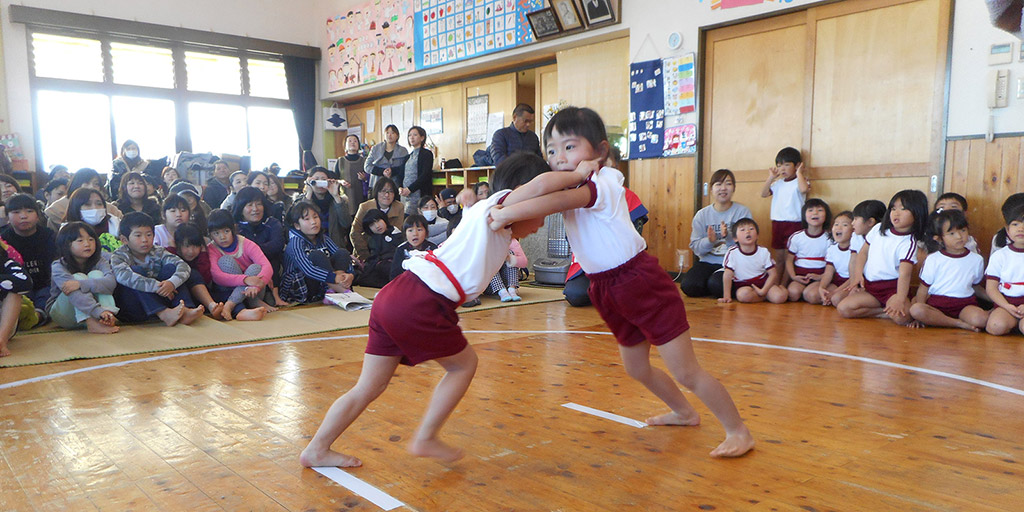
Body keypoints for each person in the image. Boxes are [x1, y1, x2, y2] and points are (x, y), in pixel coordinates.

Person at [487, 107, 754, 457]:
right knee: (636, 367)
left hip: (640, 281)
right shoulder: (573, 182)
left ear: (599, 151)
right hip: (606, 288)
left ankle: (738, 431)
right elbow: (539, 190)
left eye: (569, 147)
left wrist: (504, 213)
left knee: (686, 371)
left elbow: (554, 199)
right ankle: (684, 413)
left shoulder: (601, 184)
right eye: (551, 150)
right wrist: (492, 204)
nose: (559, 157)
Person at [299, 150, 557, 468]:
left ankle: (317, 448)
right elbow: (540, 187)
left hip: (396, 296)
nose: (541, 221)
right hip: (421, 301)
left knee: (369, 386)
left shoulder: (486, 216)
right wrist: (582, 175)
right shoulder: (497, 214)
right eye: (542, 210)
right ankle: (426, 437)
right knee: (463, 366)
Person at [836, 190, 929, 325]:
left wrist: (900, 299)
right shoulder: (878, 229)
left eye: (903, 209)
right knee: (843, 308)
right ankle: (884, 312)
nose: (896, 213)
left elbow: (905, 274)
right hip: (871, 288)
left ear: (917, 213)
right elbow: (863, 253)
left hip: (892, 290)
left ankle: (897, 308)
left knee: (902, 318)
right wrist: (858, 275)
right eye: (893, 208)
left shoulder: (908, 243)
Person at [110, 212, 205, 326]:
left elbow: (183, 266)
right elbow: (123, 276)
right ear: (124, 239)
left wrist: (171, 283)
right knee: (135, 271)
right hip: (132, 309)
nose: (145, 240)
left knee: (171, 268)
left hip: (161, 300)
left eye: (149, 234)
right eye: (138, 235)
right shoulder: (119, 256)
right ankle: (164, 313)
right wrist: (158, 287)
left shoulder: (158, 251)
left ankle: (185, 310)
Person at [908, 209, 988, 331]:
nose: (959, 236)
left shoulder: (976, 259)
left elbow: (976, 287)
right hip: (937, 305)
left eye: (963, 230)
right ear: (940, 238)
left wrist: (996, 300)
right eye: (951, 233)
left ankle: (945, 321)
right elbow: (923, 288)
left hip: (964, 305)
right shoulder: (933, 259)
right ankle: (958, 323)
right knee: (916, 310)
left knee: (981, 319)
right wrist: (919, 316)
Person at [680, 168, 752, 298]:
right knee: (689, 285)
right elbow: (696, 248)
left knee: (717, 285)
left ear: (734, 188)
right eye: (718, 184)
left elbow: (748, 245)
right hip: (707, 261)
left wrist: (728, 236)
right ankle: (711, 285)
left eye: (728, 184)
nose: (723, 188)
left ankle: (715, 285)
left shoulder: (742, 212)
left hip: (732, 263)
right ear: (711, 189)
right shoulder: (702, 215)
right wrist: (709, 241)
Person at [46, 222, 119, 334]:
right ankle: (91, 323)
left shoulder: (100, 261)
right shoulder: (58, 266)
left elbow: (111, 283)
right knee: (77, 278)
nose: (87, 244)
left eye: (91, 239)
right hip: (64, 314)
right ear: (66, 245)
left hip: (98, 312)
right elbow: (73, 293)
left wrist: (81, 284)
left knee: (96, 274)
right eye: (80, 240)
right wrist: (97, 311)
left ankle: (107, 317)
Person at [280, 201, 356, 304]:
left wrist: (350, 275)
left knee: (342, 252)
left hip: (323, 281)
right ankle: (343, 292)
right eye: (307, 219)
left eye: (315, 217)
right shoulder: (295, 243)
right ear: (297, 226)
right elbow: (308, 269)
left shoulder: (324, 238)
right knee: (317, 256)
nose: (313, 222)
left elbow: (343, 256)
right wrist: (334, 278)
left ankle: (333, 290)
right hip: (299, 285)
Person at [206, 209, 273, 321]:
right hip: (227, 291)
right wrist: (245, 280)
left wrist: (256, 285)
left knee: (255, 268)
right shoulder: (212, 249)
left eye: (226, 231)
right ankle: (234, 305)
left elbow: (267, 266)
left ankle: (245, 303)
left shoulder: (245, 243)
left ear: (233, 229)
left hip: (252, 292)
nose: (222, 237)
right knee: (225, 261)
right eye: (216, 233)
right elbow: (217, 276)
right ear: (210, 234)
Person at [759, 146, 809, 282]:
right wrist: (771, 177)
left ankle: (785, 284)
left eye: (787, 165)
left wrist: (799, 173)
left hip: (795, 224)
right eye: (779, 165)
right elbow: (763, 193)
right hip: (778, 223)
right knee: (779, 257)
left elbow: (804, 189)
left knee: (790, 257)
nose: (782, 169)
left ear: (797, 166)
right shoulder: (777, 184)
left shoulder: (800, 181)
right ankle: (776, 283)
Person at [2, 194, 57, 313]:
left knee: (49, 295)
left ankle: (38, 315)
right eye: (16, 212)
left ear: (38, 215)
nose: (23, 216)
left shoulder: (49, 236)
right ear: (7, 217)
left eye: (29, 211)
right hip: (18, 287)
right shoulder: (4, 241)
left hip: (46, 285)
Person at [233, 187, 288, 307]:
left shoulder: (272, 223)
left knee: (272, 258)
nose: (255, 209)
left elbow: (277, 245)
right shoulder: (236, 228)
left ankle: (273, 295)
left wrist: (255, 252)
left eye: (259, 204)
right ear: (241, 208)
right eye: (249, 205)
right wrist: (257, 253)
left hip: (271, 270)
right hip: (246, 272)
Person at [720, 218, 788, 304]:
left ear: (757, 235)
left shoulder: (763, 251)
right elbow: (727, 275)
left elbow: (773, 273)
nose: (748, 232)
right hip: (744, 286)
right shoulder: (732, 252)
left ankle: (771, 292)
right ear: (735, 238)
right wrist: (727, 296)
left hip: (764, 284)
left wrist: (764, 290)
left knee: (780, 297)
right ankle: (764, 297)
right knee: (742, 295)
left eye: (751, 229)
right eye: (742, 230)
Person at [167, 223, 224, 320]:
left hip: (199, 298)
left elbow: (206, 278)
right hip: (177, 298)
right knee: (190, 272)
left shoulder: (201, 256)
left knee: (224, 295)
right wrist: (172, 249)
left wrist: (203, 254)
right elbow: (168, 268)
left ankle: (215, 308)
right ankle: (191, 309)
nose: (191, 251)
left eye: (196, 246)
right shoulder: (170, 254)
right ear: (177, 244)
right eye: (186, 246)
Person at [984, 199, 1024, 335]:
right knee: (995, 326)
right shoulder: (1000, 255)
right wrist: (1006, 306)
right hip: (1006, 303)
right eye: (1015, 224)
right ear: (1007, 230)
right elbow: (991, 288)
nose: (1021, 228)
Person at [784, 198, 832, 303]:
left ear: (826, 216)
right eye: (810, 210)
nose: (815, 213)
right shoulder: (796, 237)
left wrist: (821, 277)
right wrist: (794, 277)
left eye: (820, 210)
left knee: (811, 296)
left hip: (821, 277)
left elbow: (833, 264)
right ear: (804, 216)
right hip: (800, 277)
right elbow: (789, 260)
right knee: (793, 293)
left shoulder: (830, 238)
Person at [45, 168, 123, 232]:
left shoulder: (111, 210)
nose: (91, 187)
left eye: (96, 184)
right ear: (76, 184)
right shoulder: (56, 210)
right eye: (86, 183)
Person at [351, 177, 404, 261]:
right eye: (383, 191)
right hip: (367, 248)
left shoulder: (399, 207)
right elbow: (355, 232)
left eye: (390, 191)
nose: (387, 195)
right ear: (376, 192)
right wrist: (365, 256)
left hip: (390, 250)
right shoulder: (364, 207)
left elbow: (397, 231)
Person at [303, 167, 353, 251]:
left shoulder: (338, 201)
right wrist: (309, 193)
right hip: (312, 248)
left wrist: (336, 196)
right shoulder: (303, 200)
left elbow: (346, 223)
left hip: (335, 247)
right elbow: (302, 220)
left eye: (323, 180)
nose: (320, 183)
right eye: (316, 180)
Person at [63, 188, 122, 253]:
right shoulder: (66, 231)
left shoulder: (115, 224)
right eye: (87, 204)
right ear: (76, 207)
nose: (95, 208)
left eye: (99, 204)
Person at [355, 209, 404, 288]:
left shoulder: (398, 234)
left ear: (384, 219)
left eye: (378, 221)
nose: (377, 226)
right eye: (372, 225)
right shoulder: (373, 240)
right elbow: (374, 258)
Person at [0, 240, 32, 357]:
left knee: (14, 293)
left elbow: (25, 282)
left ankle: (1, 340)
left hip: (3, 325)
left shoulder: (7, 263)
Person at [816, 211, 854, 307]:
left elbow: (853, 278)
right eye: (836, 224)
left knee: (836, 299)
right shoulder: (832, 248)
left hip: (851, 282)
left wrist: (834, 292)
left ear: (854, 230)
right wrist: (822, 287)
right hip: (837, 281)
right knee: (810, 295)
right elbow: (828, 273)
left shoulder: (856, 249)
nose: (838, 228)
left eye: (845, 225)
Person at [390, 214, 437, 280]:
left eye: (419, 230)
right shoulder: (401, 249)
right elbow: (394, 275)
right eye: (410, 230)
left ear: (426, 232)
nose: (415, 234)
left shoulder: (433, 248)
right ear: (405, 234)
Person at [400, 126, 434, 215]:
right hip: (406, 195)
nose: (411, 137)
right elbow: (402, 173)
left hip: (419, 194)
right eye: (409, 135)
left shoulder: (426, 154)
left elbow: (425, 175)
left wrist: (410, 189)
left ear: (422, 138)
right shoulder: (408, 156)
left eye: (415, 135)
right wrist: (400, 187)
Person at [364, 124, 408, 189]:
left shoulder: (403, 151)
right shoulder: (375, 148)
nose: (389, 135)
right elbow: (367, 166)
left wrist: (392, 171)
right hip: (377, 184)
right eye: (387, 133)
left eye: (392, 133)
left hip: (395, 185)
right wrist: (382, 171)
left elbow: (405, 168)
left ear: (397, 136)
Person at [334, 134, 367, 213]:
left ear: (358, 145)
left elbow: (369, 179)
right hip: (346, 196)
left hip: (361, 196)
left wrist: (364, 178)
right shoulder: (340, 161)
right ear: (345, 146)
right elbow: (335, 179)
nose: (352, 143)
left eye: (355, 141)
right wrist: (341, 181)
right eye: (350, 141)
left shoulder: (364, 161)